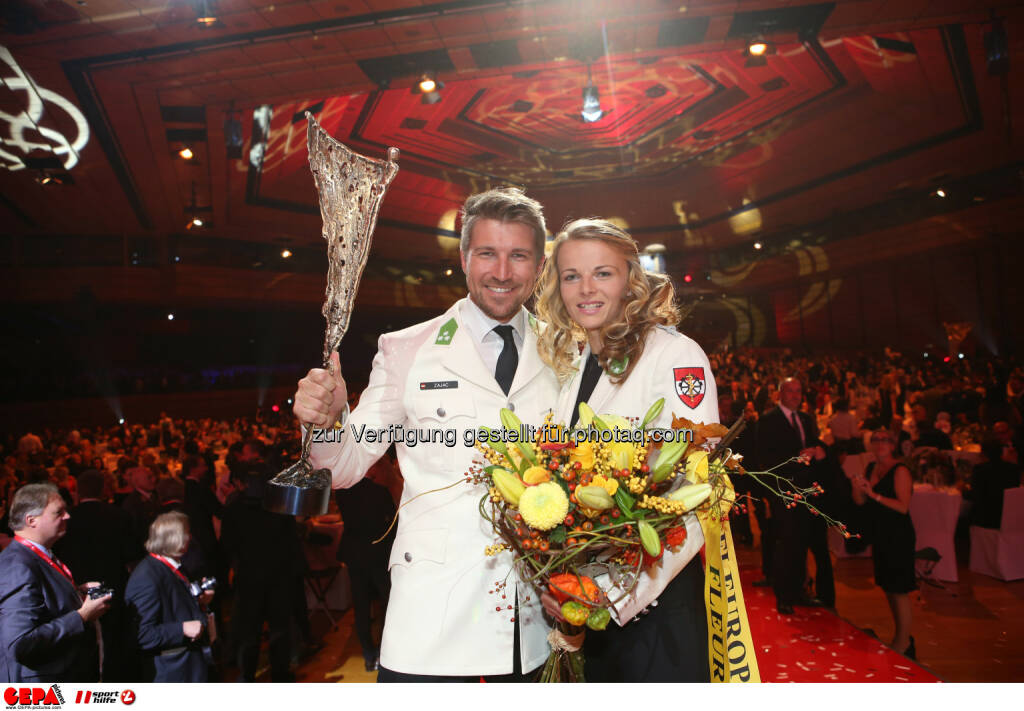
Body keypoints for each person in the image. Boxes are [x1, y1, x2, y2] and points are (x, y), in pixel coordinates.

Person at [293, 187, 559, 681]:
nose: (501, 272)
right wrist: (328, 421)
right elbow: (344, 466)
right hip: (430, 624)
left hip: (533, 624)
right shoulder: (407, 348)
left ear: (539, 265)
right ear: (463, 258)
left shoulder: (565, 353)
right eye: (486, 253)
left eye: (518, 255)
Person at [534, 218, 713, 682]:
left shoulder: (674, 357)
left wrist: (609, 594)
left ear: (631, 279)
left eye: (603, 273)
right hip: (589, 610)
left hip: (656, 608)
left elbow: (690, 498)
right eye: (571, 275)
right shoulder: (574, 368)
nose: (585, 289)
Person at [0, 483, 111, 682]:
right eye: (58, 512)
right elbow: (21, 643)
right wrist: (82, 615)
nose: (67, 516)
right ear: (31, 520)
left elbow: (42, 602)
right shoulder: (18, 565)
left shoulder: (37, 555)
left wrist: (76, 593)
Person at [752, 378, 835, 614]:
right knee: (787, 544)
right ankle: (784, 596)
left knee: (803, 543)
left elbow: (814, 445)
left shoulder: (807, 419)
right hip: (785, 491)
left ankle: (800, 592)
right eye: (790, 391)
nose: (795, 395)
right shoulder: (768, 421)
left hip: (809, 490)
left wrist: (819, 451)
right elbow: (765, 459)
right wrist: (797, 457)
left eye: (799, 391)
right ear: (780, 394)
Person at [54, 470, 139, 681]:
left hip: (76, 595)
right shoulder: (119, 516)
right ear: (104, 490)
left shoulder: (66, 520)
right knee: (114, 649)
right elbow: (133, 556)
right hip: (114, 590)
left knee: (84, 651)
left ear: (77, 492)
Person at [849, 430, 916, 658]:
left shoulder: (901, 470)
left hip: (898, 535)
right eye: (876, 440)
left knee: (899, 590)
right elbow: (860, 502)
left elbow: (903, 507)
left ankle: (904, 642)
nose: (880, 444)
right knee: (889, 588)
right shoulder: (871, 468)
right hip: (881, 535)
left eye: (885, 440)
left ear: (893, 444)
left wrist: (874, 495)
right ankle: (901, 639)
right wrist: (857, 489)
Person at [124, 511, 211, 682]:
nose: (190, 537)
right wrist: (182, 629)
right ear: (173, 538)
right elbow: (143, 634)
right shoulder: (147, 576)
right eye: (185, 533)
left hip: (188, 667)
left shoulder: (172, 566)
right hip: (172, 672)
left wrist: (200, 602)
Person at [334, 458, 397, 671]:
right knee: (386, 605)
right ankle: (383, 653)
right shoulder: (379, 486)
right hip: (379, 552)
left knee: (361, 606)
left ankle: (369, 655)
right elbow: (392, 517)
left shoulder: (343, 486)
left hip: (356, 552)